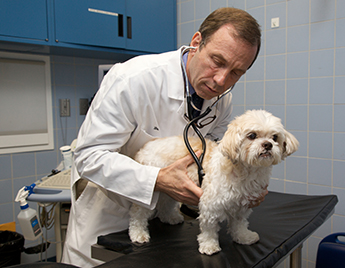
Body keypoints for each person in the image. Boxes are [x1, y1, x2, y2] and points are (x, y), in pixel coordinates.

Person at [62, 7, 263, 267]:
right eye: (218, 61)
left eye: (236, 72)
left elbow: (211, 161)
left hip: (166, 223)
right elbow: (88, 157)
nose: (222, 80)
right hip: (110, 219)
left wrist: (244, 185)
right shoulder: (132, 79)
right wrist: (157, 179)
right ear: (196, 43)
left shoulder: (222, 101)